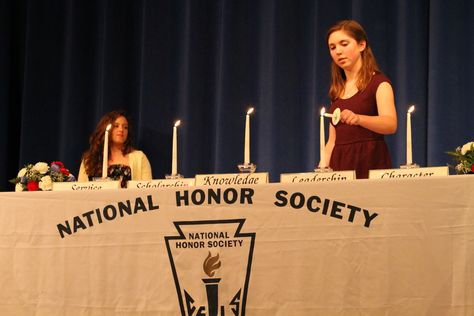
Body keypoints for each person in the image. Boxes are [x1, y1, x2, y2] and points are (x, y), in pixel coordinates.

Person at [323, 20, 397, 179]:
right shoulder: (337, 91)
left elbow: (391, 124)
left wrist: (359, 119)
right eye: (333, 47)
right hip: (340, 166)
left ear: (361, 45)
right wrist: (322, 170)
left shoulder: (379, 83)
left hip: (370, 162)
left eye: (344, 44)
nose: (338, 52)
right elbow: (332, 141)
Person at [78, 110, 152, 187]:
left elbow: (147, 190)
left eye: (125, 127)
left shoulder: (139, 157)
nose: (121, 130)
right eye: (116, 126)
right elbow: (80, 189)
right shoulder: (89, 159)